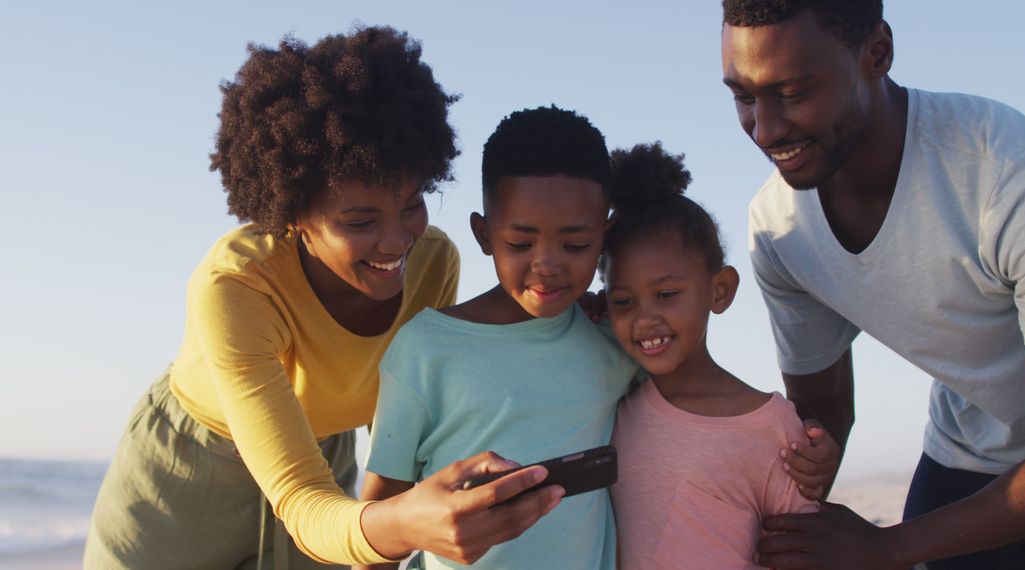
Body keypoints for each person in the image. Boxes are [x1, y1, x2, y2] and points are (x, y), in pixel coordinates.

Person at [84, 26, 561, 570]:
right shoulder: (238, 285)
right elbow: (297, 498)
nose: (398, 241)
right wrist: (399, 523)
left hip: (323, 458)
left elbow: (400, 431)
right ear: (293, 217)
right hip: (187, 471)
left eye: (411, 205)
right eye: (360, 221)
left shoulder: (432, 262)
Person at [719, 0, 1025, 568]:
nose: (764, 129)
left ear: (877, 53)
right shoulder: (779, 227)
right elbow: (822, 411)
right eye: (743, 96)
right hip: (969, 448)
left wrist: (888, 546)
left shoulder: (1019, 176)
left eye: (792, 93)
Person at [359, 105, 639, 570]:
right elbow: (378, 527)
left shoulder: (614, 343)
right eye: (520, 243)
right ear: (483, 234)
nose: (547, 264)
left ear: (605, 238)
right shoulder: (425, 350)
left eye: (574, 245)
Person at [602, 142, 818, 569]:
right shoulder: (612, 405)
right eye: (623, 302)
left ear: (719, 290)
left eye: (666, 295)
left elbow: (803, 551)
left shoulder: (773, 429)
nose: (645, 319)